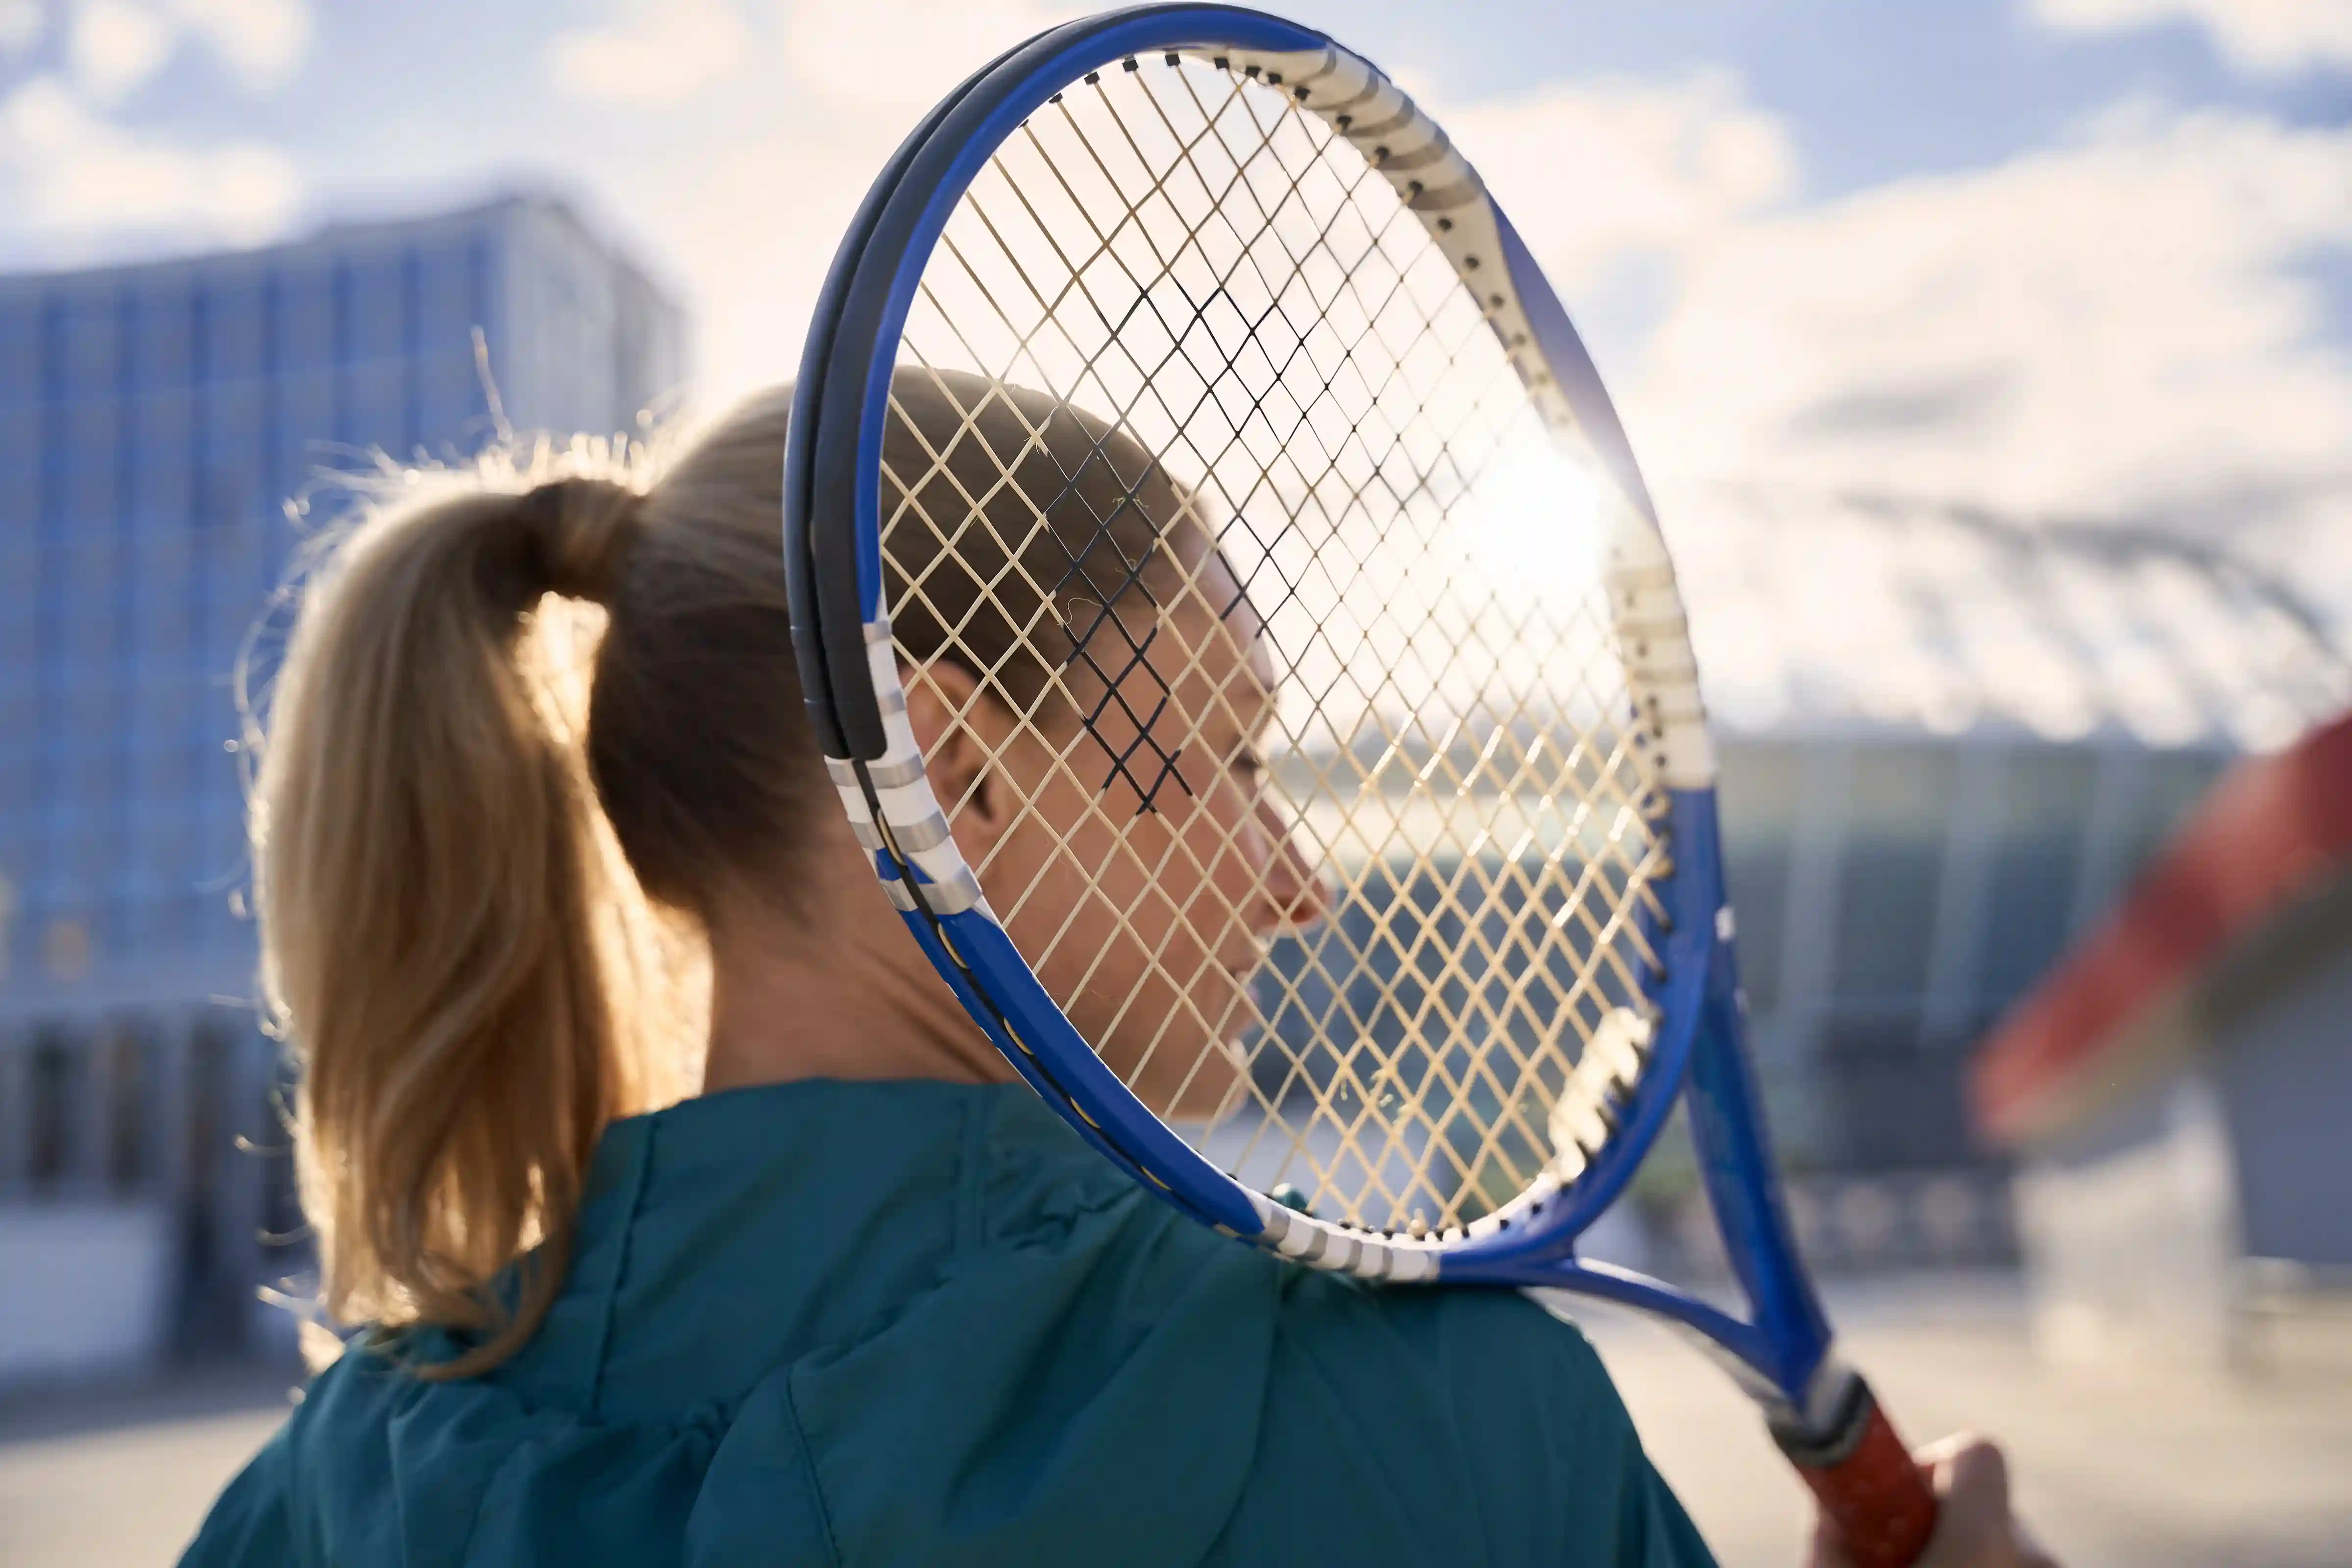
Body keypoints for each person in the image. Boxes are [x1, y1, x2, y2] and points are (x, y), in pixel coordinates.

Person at [181, 375, 2055, 1568]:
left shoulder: (343, 1491)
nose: (1297, 884)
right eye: (1230, 755)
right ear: (946, 769)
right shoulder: (1449, 1418)